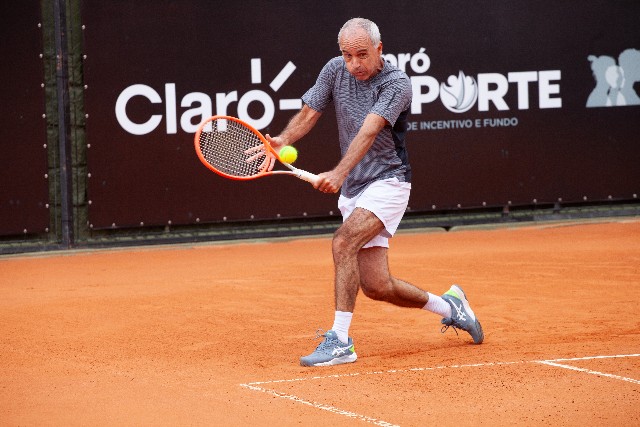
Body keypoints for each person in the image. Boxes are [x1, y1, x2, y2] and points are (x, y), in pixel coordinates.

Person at [265, 17, 483, 367]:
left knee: (342, 242)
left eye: (362, 55)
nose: (354, 64)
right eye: (347, 55)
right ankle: (452, 306)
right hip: (355, 189)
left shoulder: (397, 83)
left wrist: (338, 172)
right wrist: (280, 141)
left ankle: (340, 342)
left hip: (388, 181)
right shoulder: (335, 70)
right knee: (377, 286)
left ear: (380, 50)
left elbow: (368, 132)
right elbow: (309, 112)